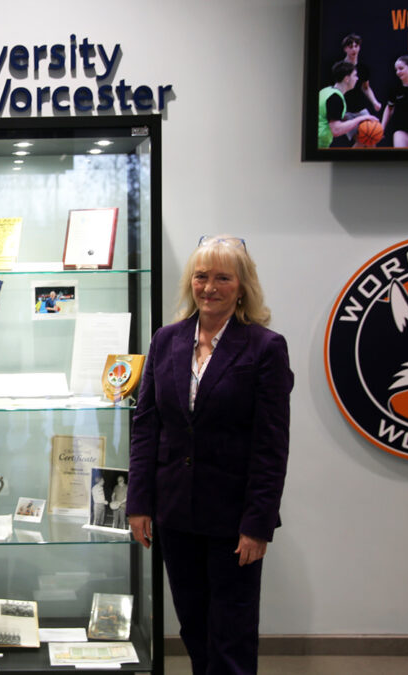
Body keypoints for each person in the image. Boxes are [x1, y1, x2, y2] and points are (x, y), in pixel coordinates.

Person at [127, 235, 293, 675]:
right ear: (190, 281)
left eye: (223, 277)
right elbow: (146, 427)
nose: (210, 287)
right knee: (194, 629)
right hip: (175, 515)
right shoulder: (166, 341)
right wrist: (139, 503)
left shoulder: (264, 347)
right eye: (201, 276)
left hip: (233, 520)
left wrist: (257, 524)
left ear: (242, 286)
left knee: (232, 635)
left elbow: (271, 445)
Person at [317, 60, 376, 148]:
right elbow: (336, 130)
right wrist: (361, 118)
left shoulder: (326, 91)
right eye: (355, 75)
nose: (357, 78)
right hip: (319, 144)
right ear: (347, 78)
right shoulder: (335, 98)